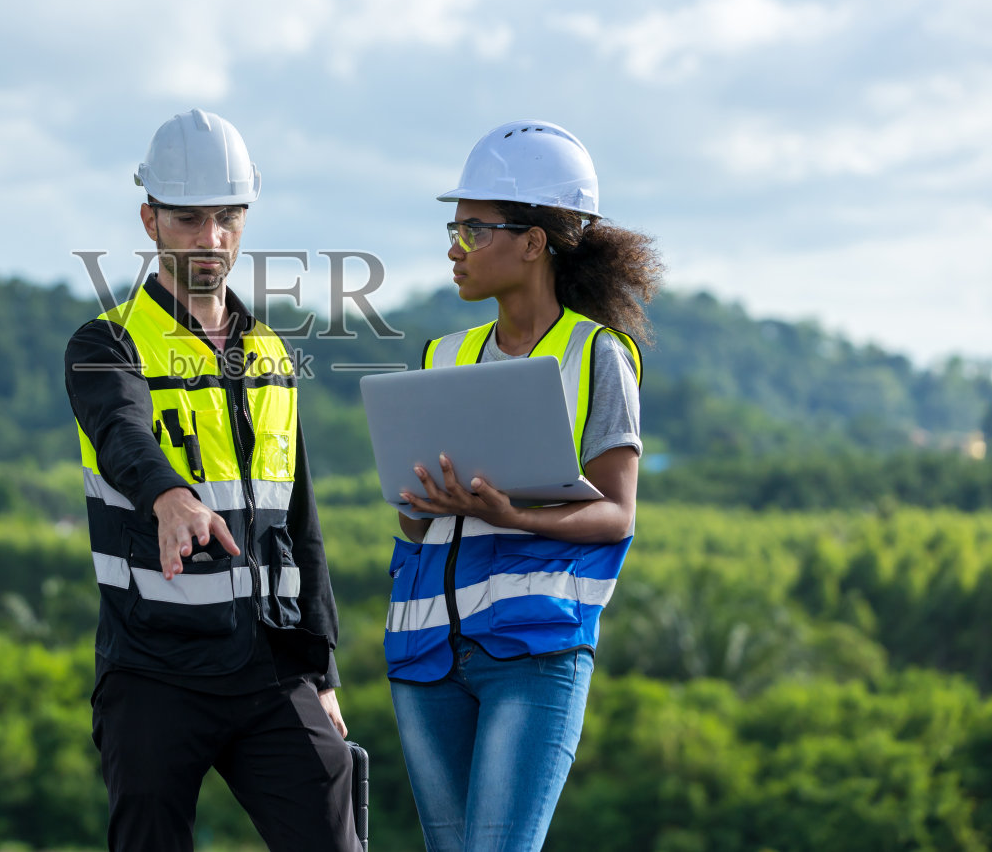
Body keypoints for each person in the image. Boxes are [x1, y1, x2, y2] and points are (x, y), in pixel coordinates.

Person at [65, 108, 358, 852]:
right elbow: (122, 431)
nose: (211, 238)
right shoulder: (107, 343)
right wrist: (170, 496)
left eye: (227, 217)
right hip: (153, 666)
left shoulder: (272, 353)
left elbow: (300, 520)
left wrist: (320, 670)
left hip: (269, 664)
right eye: (189, 218)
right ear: (149, 218)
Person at [384, 119, 663, 852]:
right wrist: (421, 503)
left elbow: (617, 515)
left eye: (474, 229)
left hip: (534, 653)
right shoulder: (442, 354)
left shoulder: (598, 355)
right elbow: (414, 523)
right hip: (424, 654)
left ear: (533, 241)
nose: (454, 245)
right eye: (455, 226)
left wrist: (516, 514)